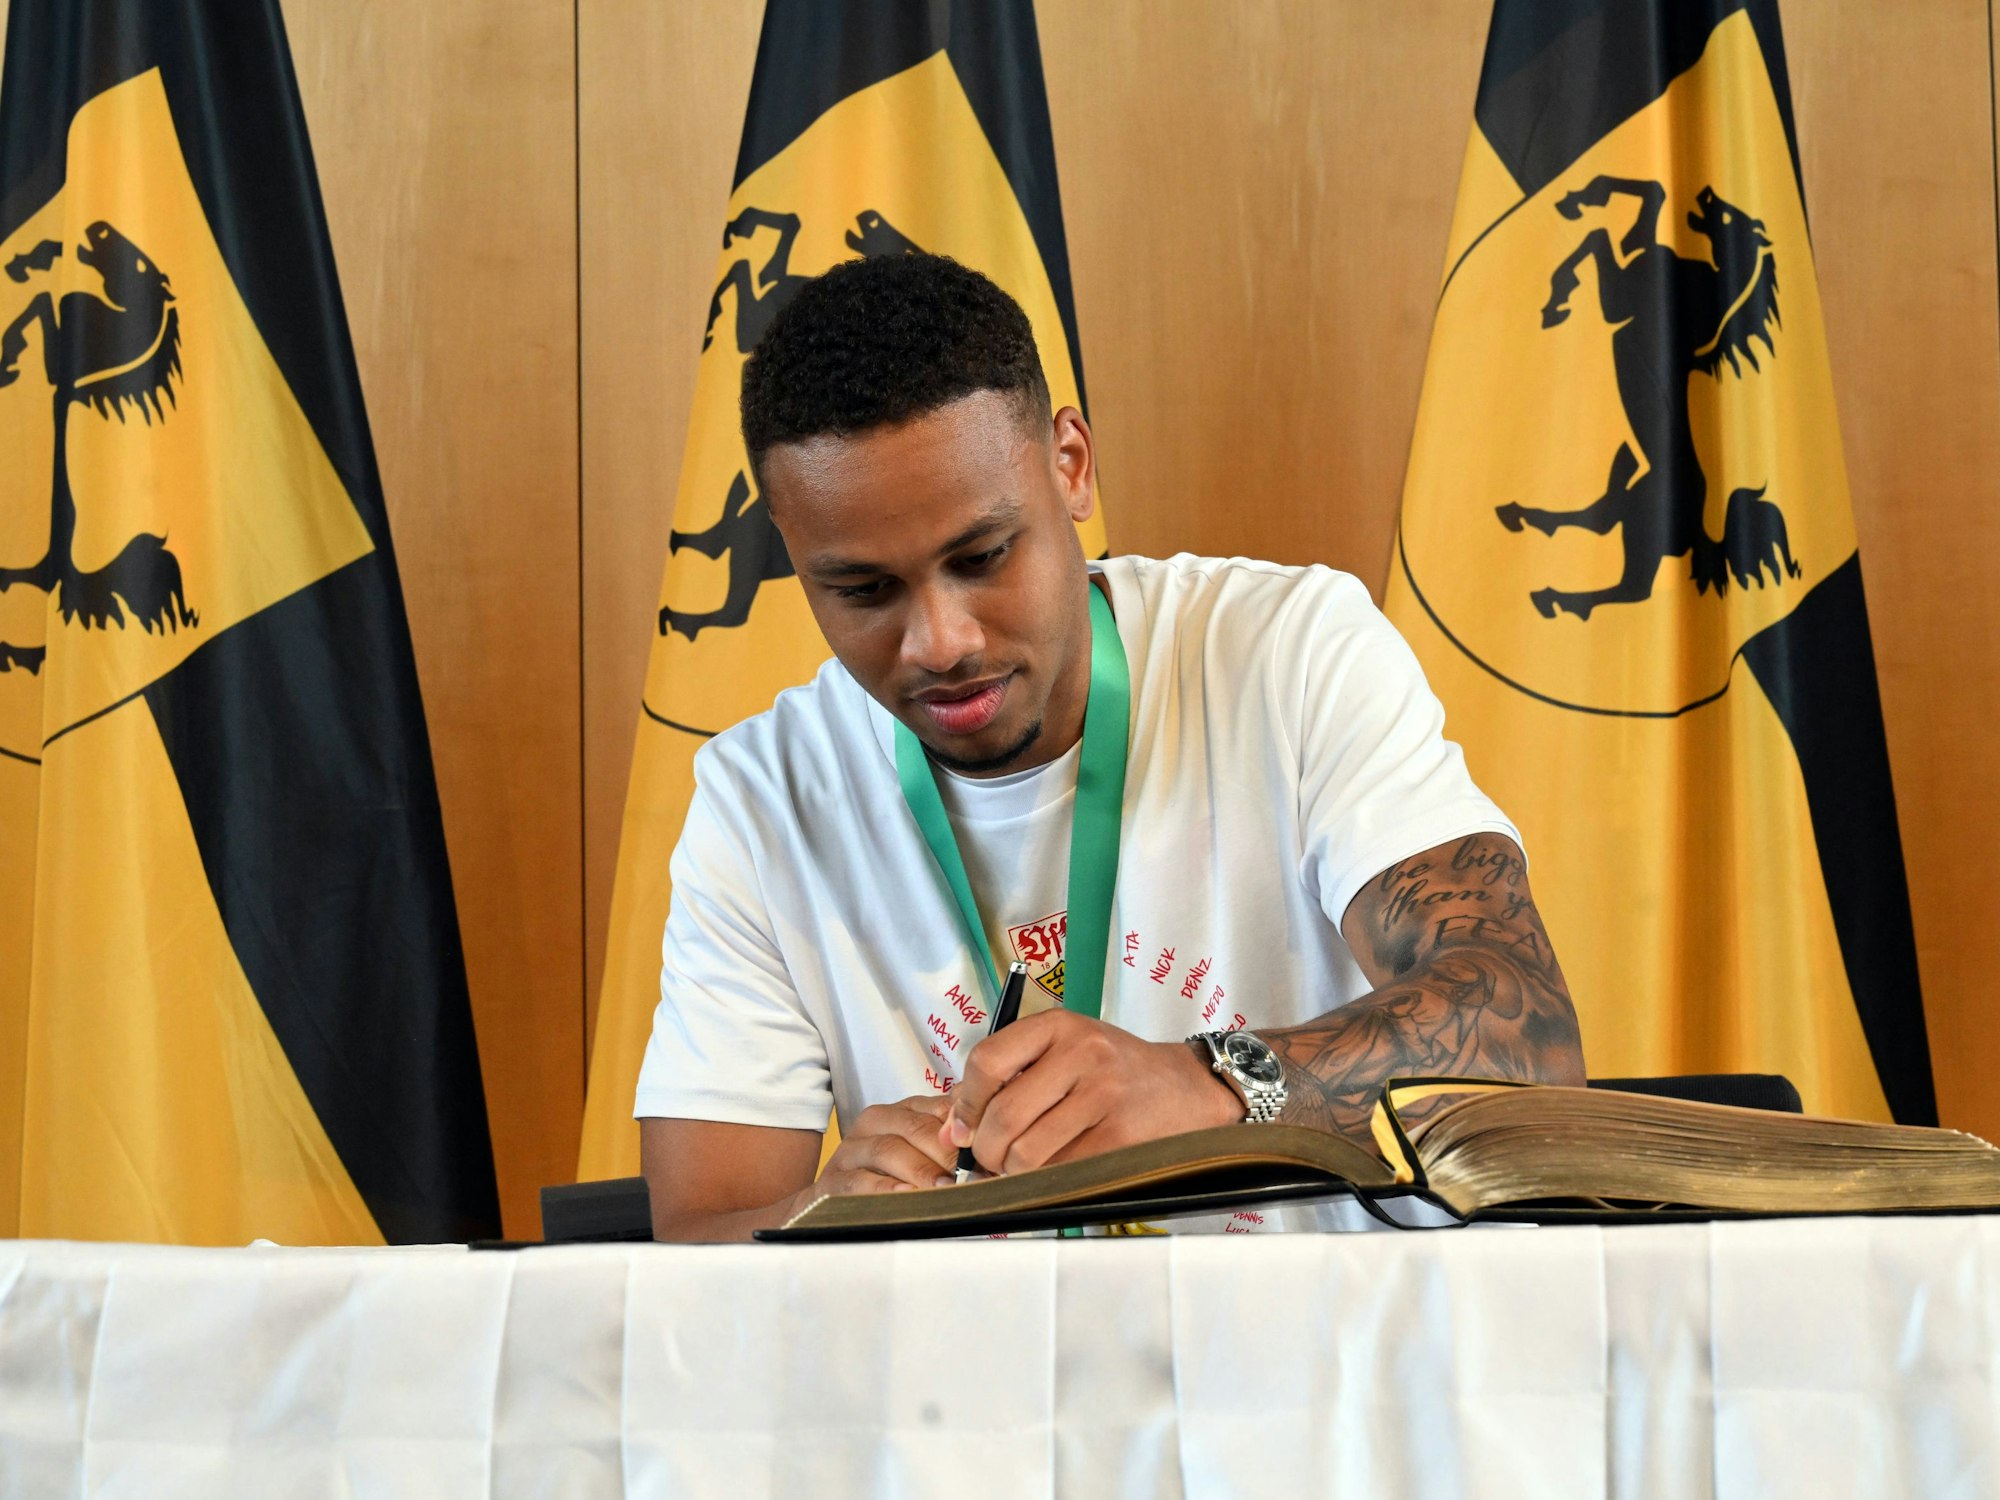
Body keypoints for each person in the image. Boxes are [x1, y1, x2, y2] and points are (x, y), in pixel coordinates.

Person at [636, 253, 1584, 1241]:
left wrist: (1207, 1082)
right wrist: (818, 1221)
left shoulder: (1290, 651)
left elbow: (1529, 1034)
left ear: (1070, 465)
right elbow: (695, 1239)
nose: (941, 642)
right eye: (862, 591)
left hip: (1329, 1382)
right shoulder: (760, 799)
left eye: (981, 557)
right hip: (993, 1390)